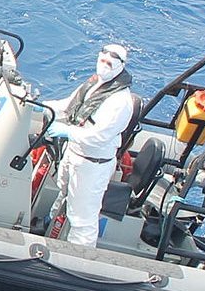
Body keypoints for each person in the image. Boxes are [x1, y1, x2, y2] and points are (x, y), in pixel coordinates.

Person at [43, 43, 139, 249]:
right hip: (74, 154)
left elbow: (98, 136)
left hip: (91, 164)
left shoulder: (119, 102)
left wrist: (67, 132)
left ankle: (78, 258)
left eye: (109, 63)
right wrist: (46, 106)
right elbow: (70, 106)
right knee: (63, 192)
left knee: (82, 219)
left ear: (120, 66)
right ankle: (48, 228)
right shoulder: (94, 84)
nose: (104, 65)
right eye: (102, 60)